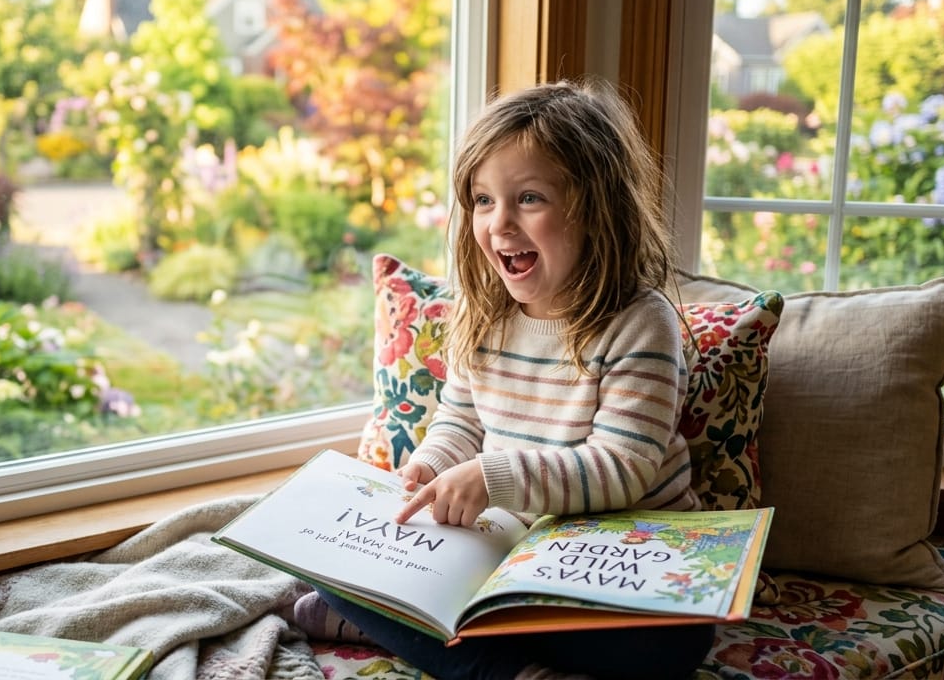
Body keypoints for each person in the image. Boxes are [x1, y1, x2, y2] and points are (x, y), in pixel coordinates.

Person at [301, 80, 715, 680]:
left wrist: (494, 478)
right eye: (483, 200)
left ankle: (391, 626)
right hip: (506, 554)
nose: (499, 224)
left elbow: (622, 468)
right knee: (326, 558)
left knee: (672, 648)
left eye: (528, 198)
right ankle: (501, 666)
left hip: (617, 563)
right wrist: (433, 464)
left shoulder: (638, 323)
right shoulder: (484, 313)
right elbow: (462, 420)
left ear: (596, 208)